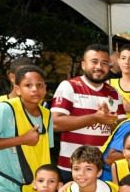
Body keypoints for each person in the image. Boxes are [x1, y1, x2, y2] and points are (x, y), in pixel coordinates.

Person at [51, 43, 125, 182]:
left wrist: (111, 122)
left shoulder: (114, 93)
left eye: (104, 63)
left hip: (101, 170)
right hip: (71, 168)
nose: (99, 67)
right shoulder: (69, 86)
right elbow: (55, 123)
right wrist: (95, 118)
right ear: (84, 64)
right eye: (94, 62)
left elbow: (121, 131)